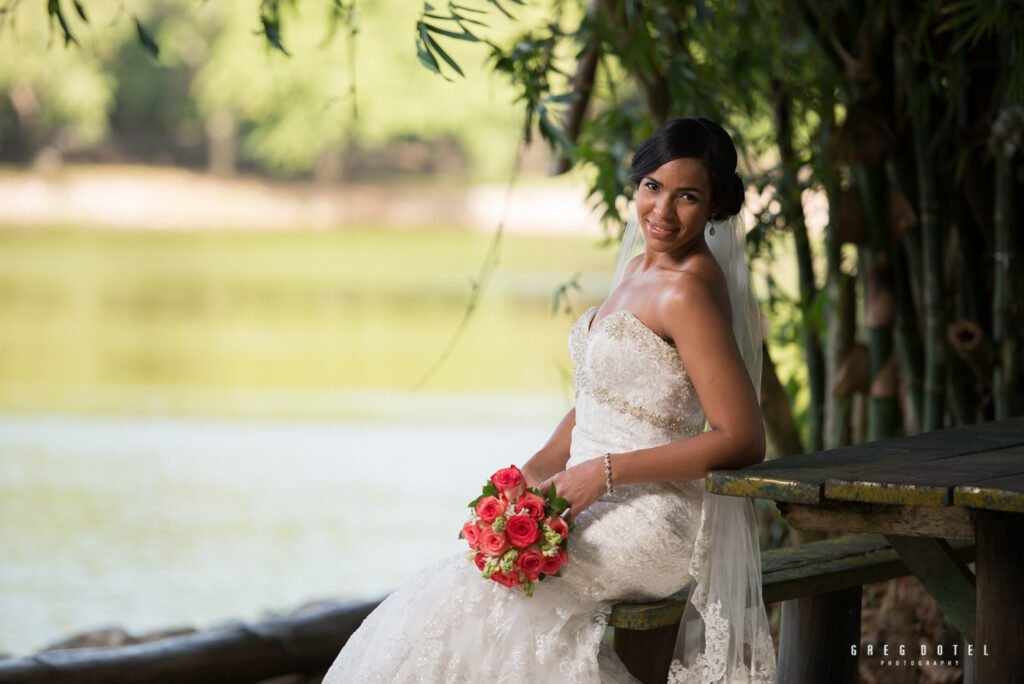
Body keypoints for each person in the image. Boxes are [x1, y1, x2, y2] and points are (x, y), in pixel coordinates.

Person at [323, 117, 776, 683]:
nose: (662, 211)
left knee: (483, 597)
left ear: (714, 208)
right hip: (591, 492)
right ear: (635, 186)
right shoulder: (639, 269)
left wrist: (602, 474)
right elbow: (602, 397)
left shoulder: (688, 290)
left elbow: (741, 438)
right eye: (652, 187)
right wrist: (536, 468)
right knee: (468, 584)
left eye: (687, 196)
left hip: (653, 512)